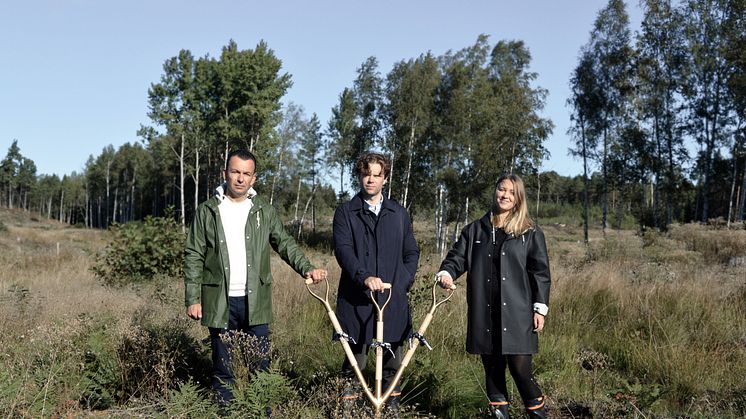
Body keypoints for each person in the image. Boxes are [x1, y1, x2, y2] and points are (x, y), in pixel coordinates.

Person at [184, 149, 327, 406]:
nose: (240, 178)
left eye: (246, 173)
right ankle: (227, 412)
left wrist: (307, 268)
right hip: (220, 301)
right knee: (223, 368)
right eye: (235, 171)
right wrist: (193, 298)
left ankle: (261, 412)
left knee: (260, 367)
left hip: (255, 301)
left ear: (254, 178)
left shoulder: (263, 211)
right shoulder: (207, 211)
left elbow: (285, 244)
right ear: (225, 173)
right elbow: (194, 254)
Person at [437, 174, 550, 419]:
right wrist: (447, 273)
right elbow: (456, 258)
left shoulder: (529, 232)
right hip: (484, 313)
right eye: (501, 189)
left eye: (511, 192)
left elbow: (540, 272)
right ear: (495, 191)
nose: (505, 195)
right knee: (493, 371)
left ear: (518, 198)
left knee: (521, 371)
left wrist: (540, 307)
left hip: (519, 314)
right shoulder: (475, 230)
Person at [333, 151, 420, 413]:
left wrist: (402, 280)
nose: (371, 179)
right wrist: (364, 277)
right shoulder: (347, 212)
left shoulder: (399, 213)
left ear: (385, 178)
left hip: (392, 299)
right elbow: (343, 250)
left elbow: (411, 252)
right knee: (355, 359)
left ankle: (390, 408)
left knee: (393, 360)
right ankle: (347, 411)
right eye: (366, 174)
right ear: (359, 176)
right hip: (357, 299)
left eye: (376, 175)